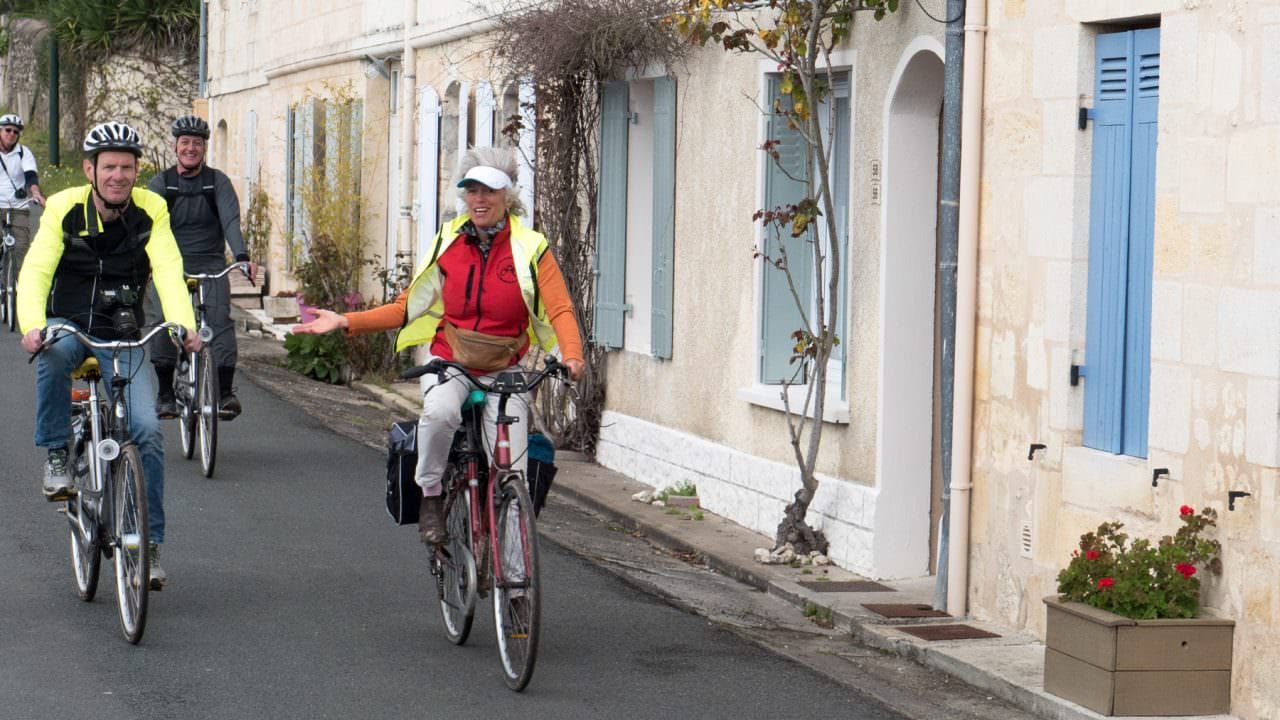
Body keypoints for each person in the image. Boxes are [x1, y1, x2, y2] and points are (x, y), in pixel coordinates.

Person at [294, 146, 584, 544]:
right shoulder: (448, 243)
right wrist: (346, 320)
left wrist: (572, 355)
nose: (479, 200)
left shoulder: (530, 247)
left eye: (489, 191)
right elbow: (406, 306)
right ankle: (431, 493)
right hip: (452, 359)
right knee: (440, 413)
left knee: (511, 476)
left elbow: (561, 307)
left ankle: (517, 590)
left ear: (507, 197)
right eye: (472, 191)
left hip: (503, 366)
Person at [17, 121, 201, 590]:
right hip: (71, 324)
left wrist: (184, 325)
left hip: (124, 335)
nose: (119, 175)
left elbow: (168, 270)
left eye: (128, 167)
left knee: (146, 432)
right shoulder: (63, 207)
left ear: (137, 171)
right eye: (110, 167)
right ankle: (58, 454)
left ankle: (150, 544)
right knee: (56, 351)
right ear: (90, 170)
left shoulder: (151, 208)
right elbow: (36, 272)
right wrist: (33, 324)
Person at [148, 114, 255, 421]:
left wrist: (242, 255)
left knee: (219, 320)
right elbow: (148, 227)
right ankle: (166, 394)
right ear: (174, 146)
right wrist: (146, 261)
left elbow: (231, 221)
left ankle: (224, 394)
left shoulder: (216, 182)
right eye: (185, 143)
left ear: (204, 148)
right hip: (170, 264)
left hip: (210, 263)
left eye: (197, 143)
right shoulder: (162, 183)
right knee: (166, 322)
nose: (191, 148)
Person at [0, 113, 47, 269]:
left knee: (20, 248)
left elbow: (31, 176)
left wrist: (36, 193)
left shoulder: (23, 152)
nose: (12, 134)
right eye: (8, 130)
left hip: (18, 207)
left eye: (16, 131)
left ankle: (13, 288)